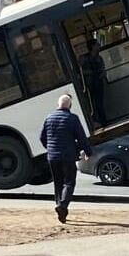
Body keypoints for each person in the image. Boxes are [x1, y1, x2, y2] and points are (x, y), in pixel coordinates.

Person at [39, 93, 90, 223]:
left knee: (58, 183)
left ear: (58, 104)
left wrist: (50, 148)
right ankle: (62, 205)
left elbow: (42, 138)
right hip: (68, 157)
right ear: (70, 105)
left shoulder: (49, 117)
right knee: (69, 183)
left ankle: (59, 207)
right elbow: (81, 138)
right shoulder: (73, 118)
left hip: (52, 157)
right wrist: (88, 151)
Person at [80, 36, 108, 125]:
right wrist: (90, 72)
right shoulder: (84, 58)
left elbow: (103, 70)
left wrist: (102, 74)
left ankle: (103, 121)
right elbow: (79, 72)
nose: (99, 46)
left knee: (99, 103)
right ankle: (95, 121)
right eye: (97, 45)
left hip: (98, 83)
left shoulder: (99, 58)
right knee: (92, 104)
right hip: (88, 85)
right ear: (92, 47)